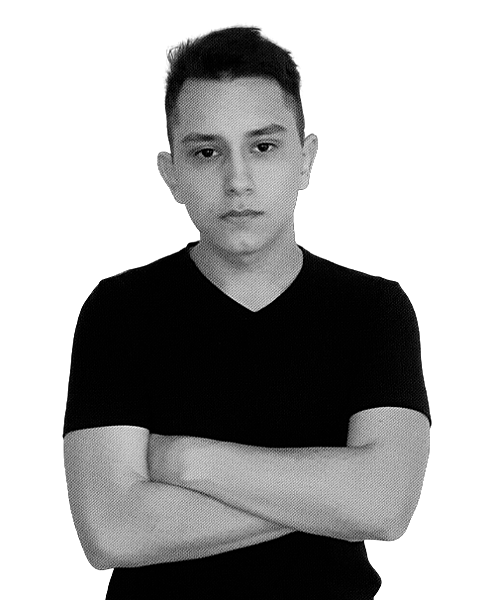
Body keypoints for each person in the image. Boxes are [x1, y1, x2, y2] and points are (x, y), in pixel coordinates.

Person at [63, 27, 432, 599]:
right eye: (207, 152)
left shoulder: (374, 309)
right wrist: (330, 496)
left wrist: (185, 460)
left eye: (263, 147)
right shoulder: (120, 311)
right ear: (170, 174)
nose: (238, 181)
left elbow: (387, 506)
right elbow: (111, 532)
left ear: (307, 161)